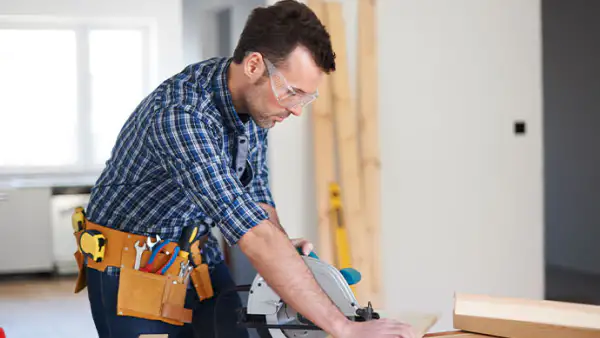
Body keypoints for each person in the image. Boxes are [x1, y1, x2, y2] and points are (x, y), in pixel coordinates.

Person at [82, 0, 415, 337]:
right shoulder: (181, 114)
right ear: (255, 65)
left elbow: (258, 206)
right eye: (292, 92)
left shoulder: (255, 108)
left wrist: (288, 256)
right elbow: (253, 235)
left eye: (305, 99)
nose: (296, 110)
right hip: (131, 266)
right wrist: (344, 328)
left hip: (194, 252)